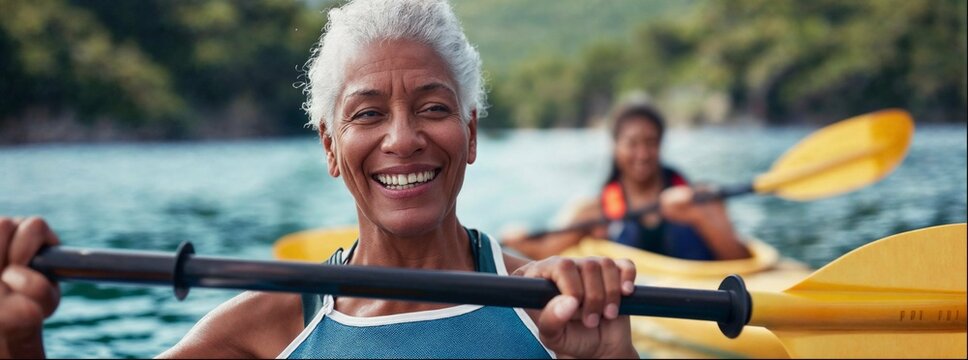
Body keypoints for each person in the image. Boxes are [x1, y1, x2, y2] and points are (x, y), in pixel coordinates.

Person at [0, 0, 639, 358]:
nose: (402, 138)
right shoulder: (261, 332)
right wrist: (17, 339)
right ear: (331, 148)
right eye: (367, 114)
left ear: (470, 134)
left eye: (433, 108)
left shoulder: (558, 314)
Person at [504, 101, 751, 261]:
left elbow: (741, 261)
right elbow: (547, 251)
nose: (642, 154)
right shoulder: (596, 211)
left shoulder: (700, 198)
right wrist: (519, 240)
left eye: (650, 143)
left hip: (704, 293)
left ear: (660, 145)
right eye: (632, 144)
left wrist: (697, 216)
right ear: (615, 147)